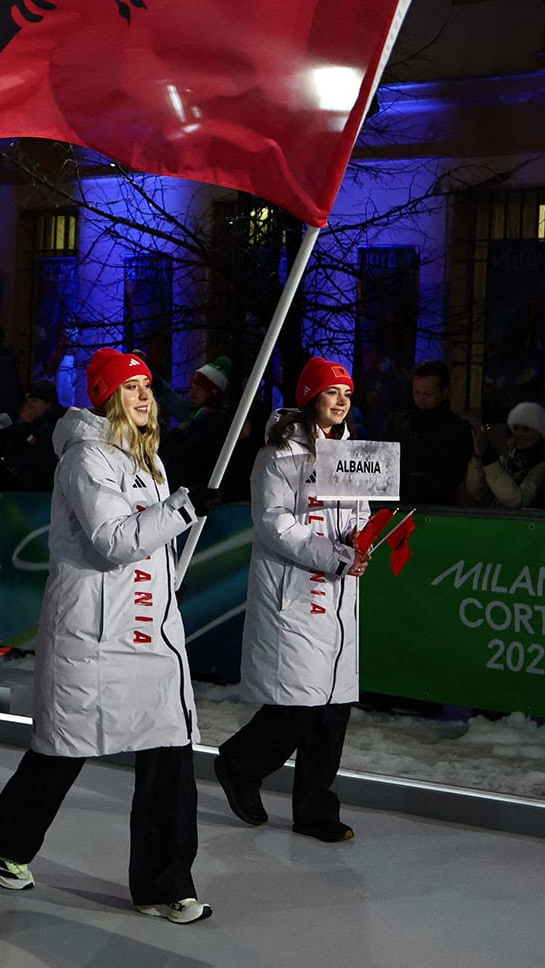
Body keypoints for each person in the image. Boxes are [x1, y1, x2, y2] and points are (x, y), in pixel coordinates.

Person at [0, 348, 213, 925]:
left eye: (147, 387)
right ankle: (7, 836)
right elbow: (112, 539)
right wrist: (183, 510)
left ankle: (164, 884)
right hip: (95, 635)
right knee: (65, 750)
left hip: (150, 634)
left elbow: (149, 542)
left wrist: (176, 528)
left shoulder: (148, 459)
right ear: (106, 396)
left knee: (169, 753)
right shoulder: (86, 458)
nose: (142, 397)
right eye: (129, 388)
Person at [215, 357, 373, 843]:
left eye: (347, 392)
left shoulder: (354, 455)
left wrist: (366, 541)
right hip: (297, 593)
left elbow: (361, 511)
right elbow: (275, 524)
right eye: (332, 392)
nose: (342, 401)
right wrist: (334, 555)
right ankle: (240, 764)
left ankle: (315, 810)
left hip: (339, 594)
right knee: (299, 705)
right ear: (310, 398)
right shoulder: (278, 455)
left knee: (333, 707)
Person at [383, 360, 474, 506]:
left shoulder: (458, 429)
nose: (420, 399)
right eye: (416, 392)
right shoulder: (398, 422)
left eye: (427, 394)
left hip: (437, 509)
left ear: (444, 392)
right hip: (396, 505)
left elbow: (447, 478)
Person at [464, 401, 545, 509]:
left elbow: (518, 501)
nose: (519, 434)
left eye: (526, 429)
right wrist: (478, 459)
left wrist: (489, 460)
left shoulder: (543, 467)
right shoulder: (505, 459)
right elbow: (476, 493)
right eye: (516, 428)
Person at [161, 356, 232, 491]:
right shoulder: (196, 418)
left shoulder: (213, 423)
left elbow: (186, 458)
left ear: (213, 393)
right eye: (191, 388)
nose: (192, 393)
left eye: (199, 389)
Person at [0, 380, 65, 491]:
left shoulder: (50, 429)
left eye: (34, 401)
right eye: (27, 401)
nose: (29, 406)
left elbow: (30, 454)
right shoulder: (30, 425)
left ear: (48, 404)